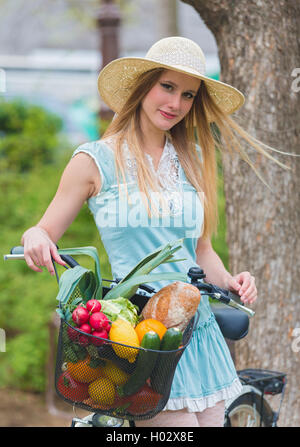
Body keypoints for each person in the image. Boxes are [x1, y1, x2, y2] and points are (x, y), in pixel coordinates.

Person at [22, 36, 286, 427]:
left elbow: (200, 250)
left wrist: (232, 280)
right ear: (143, 86)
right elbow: (43, 229)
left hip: (199, 334)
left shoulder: (192, 161)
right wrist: (37, 237)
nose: (175, 104)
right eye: (167, 87)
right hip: (142, 337)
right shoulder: (95, 160)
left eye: (188, 95)